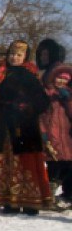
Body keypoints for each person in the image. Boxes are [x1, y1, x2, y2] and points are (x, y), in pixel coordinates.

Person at [0, 40, 53, 215]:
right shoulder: (0, 73)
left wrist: (26, 108)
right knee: (6, 161)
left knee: (26, 162)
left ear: (25, 57)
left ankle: (30, 202)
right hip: (3, 124)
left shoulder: (30, 75)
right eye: (12, 54)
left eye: (18, 55)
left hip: (24, 126)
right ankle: (9, 201)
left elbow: (43, 101)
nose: (14, 57)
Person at [41, 65, 72, 207]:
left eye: (65, 79)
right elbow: (40, 116)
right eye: (59, 78)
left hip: (67, 138)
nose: (61, 81)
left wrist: (68, 101)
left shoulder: (69, 95)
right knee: (54, 167)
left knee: (68, 166)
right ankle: (48, 197)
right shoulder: (46, 94)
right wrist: (43, 135)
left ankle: (62, 194)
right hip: (51, 137)